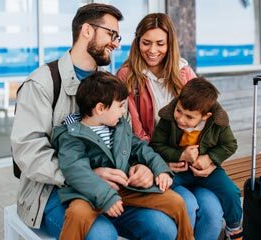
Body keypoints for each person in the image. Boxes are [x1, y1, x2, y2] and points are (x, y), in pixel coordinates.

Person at [11, 4, 185, 240]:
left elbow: (126, 139)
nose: (116, 43)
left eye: (117, 36)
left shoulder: (111, 85)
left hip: (112, 187)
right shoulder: (42, 83)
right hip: (53, 189)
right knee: (102, 234)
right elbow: (27, 152)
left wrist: (141, 166)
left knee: (163, 228)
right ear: (86, 31)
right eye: (111, 34)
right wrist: (88, 174)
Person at [117, 13, 224, 239]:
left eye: (160, 43)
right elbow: (136, 134)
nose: (152, 50)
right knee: (187, 204)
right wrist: (164, 161)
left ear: (170, 44)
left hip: (191, 165)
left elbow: (212, 122)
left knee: (213, 210)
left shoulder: (184, 72)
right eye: (146, 43)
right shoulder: (127, 77)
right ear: (137, 42)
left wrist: (210, 159)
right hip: (156, 164)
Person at [52, 71, 193, 240]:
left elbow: (141, 148)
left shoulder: (120, 127)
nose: (123, 111)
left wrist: (160, 169)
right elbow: (75, 169)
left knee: (176, 202)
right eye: (120, 106)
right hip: (89, 193)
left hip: (126, 187)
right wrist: (106, 196)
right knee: (77, 213)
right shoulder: (72, 135)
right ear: (100, 108)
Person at [150, 77, 243, 240]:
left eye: (189, 117)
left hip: (206, 171)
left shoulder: (217, 123)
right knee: (160, 188)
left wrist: (210, 158)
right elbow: (156, 145)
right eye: (179, 111)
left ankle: (234, 229)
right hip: (178, 171)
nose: (181, 119)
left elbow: (230, 145)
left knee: (231, 192)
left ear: (205, 116)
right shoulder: (168, 119)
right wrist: (180, 155)